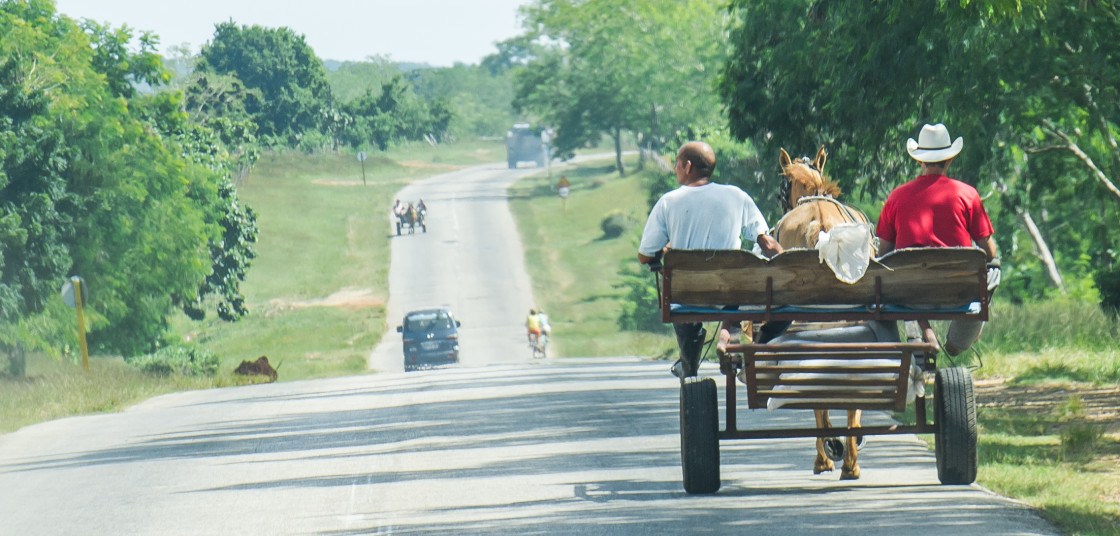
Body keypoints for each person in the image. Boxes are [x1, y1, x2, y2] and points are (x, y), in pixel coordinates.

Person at [638, 141, 784, 379]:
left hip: (686, 296)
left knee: (683, 310)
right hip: (730, 295)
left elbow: (644, 255)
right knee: (760, 301)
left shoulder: (668, 201)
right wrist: (791, 262)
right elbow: (767, 245)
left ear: (686, 166)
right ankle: (737, 338)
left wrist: (665, 251)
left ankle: (689, 359)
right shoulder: (737, 195)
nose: (674, 167)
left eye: (676, 163)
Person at [876, 123, 1000, 356]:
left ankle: (920, 333)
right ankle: (958, 341)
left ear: (919, 160)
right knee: (994, 270)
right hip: (957, 292)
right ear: (950, 159)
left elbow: (883, 253)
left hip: (909, 295)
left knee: (891, 273)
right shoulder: (968, 194)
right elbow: (989, 252)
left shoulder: (896, 197)